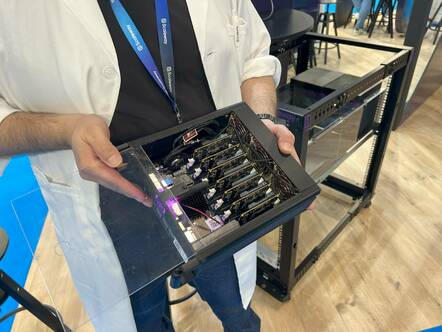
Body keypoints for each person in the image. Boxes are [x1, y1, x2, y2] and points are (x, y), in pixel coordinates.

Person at [0, 1, 301, 331]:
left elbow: (254, 59)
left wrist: (261, 122)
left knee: (233, 303)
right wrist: (66, 130)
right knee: (144, 318)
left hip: (210, 181)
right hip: (117, 204)